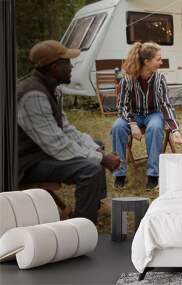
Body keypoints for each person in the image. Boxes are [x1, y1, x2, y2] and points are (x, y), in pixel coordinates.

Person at [17, 40, 120, 224]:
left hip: (41, 153)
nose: (71, 67)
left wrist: (99, 152)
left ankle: (94, 204)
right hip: (25, 164)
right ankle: (80, 228)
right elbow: (57, 146)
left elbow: (66, 130)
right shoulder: (33, 94)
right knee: (90, 170)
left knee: (96, 145)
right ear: (55, 66)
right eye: (67, 62)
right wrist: (102, 159)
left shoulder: (48, 87)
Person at [111, 42, 182, 190]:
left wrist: (175, 130)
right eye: (158, 59)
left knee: (156, 127)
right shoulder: (128, 79)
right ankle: (119, 174)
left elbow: (166, 105)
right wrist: (132, 123)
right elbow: (122, 105)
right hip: (134, 114)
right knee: (117, 127)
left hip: (153, 113)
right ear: (147, 62)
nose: (161, 62)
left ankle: (153, 175)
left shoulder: (159, 78)